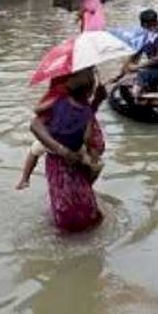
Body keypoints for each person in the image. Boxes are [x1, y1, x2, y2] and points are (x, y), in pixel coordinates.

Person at [28, 68, 105, 232]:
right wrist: (62, 150)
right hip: (61, 160)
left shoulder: (80, 103)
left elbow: (83, 120)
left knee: (83, 205)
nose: (93, 78)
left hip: (75, 157)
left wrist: (97, 101)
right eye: (90, 76)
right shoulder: (58, 100)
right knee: (68, 207)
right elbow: (35, 124)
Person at [16, 70, 107, 190]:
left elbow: (37, 110)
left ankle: (25, 179)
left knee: (34, 151)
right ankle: (88, 184)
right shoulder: (85, 109)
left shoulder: (59, 98)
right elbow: (87, 137)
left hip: (54, 140)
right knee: (96, 165)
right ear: (89, 91)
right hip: (73, 146)